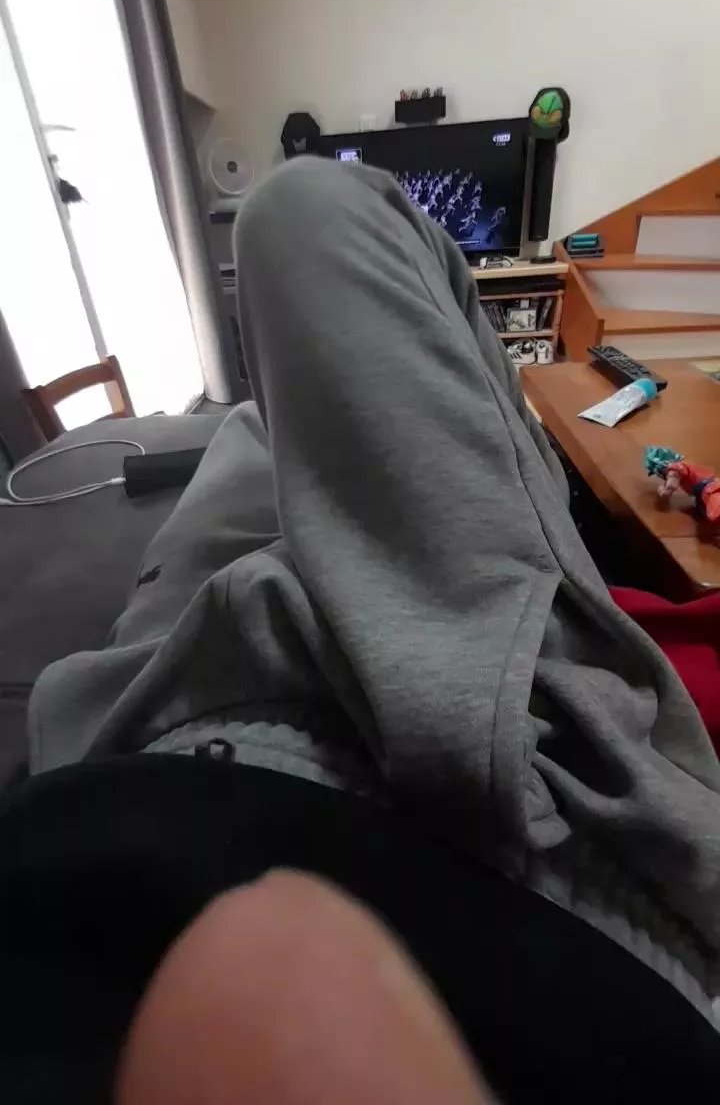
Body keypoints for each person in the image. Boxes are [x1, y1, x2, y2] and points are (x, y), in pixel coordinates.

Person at [1, 158, 719, 1103]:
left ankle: (351, 487)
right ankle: (434, 470)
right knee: (304, 209)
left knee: (256, 427)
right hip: (486, 752)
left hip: (150, 712)